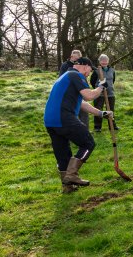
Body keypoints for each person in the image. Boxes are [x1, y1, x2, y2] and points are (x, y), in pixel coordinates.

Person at [44, 57, 112, 193]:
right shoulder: (76, 75)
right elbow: (89, 96)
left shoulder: (65, 77)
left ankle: (67, 186)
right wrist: (101, 87)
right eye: (89, 70)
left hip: (50, 121)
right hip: (64, 117)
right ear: (85, 66)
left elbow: (82, 103)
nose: (88, 73)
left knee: (63, 153)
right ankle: (72, 175)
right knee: (88, 143)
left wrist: (101, 113)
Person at [89, 54, 118, 132]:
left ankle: (112, 125)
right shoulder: (96, 71)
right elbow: (92, 81)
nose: (104, 63)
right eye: (102, 61)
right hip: (99, 94)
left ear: (108, 61)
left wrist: (109, 87)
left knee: (111, 109)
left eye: (106, 61)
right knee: (98, 109)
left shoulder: (112, 70)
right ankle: (97, 127)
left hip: (110, 93)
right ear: (100, 62)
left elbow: (113, 80)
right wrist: (98, 89)